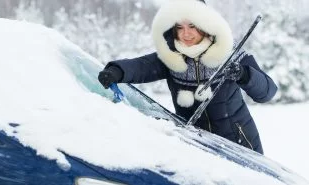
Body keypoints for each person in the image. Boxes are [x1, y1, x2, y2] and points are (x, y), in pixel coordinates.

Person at [97, 0, 277, 154]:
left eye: (192, 26)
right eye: (179, 27)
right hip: (198, 149)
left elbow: (267, 92)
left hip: (241, 145)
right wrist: (117, 71)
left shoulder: (229, 52)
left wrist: (244, 74)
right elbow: (142, 66)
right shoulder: (170, 57)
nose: (186, 34)